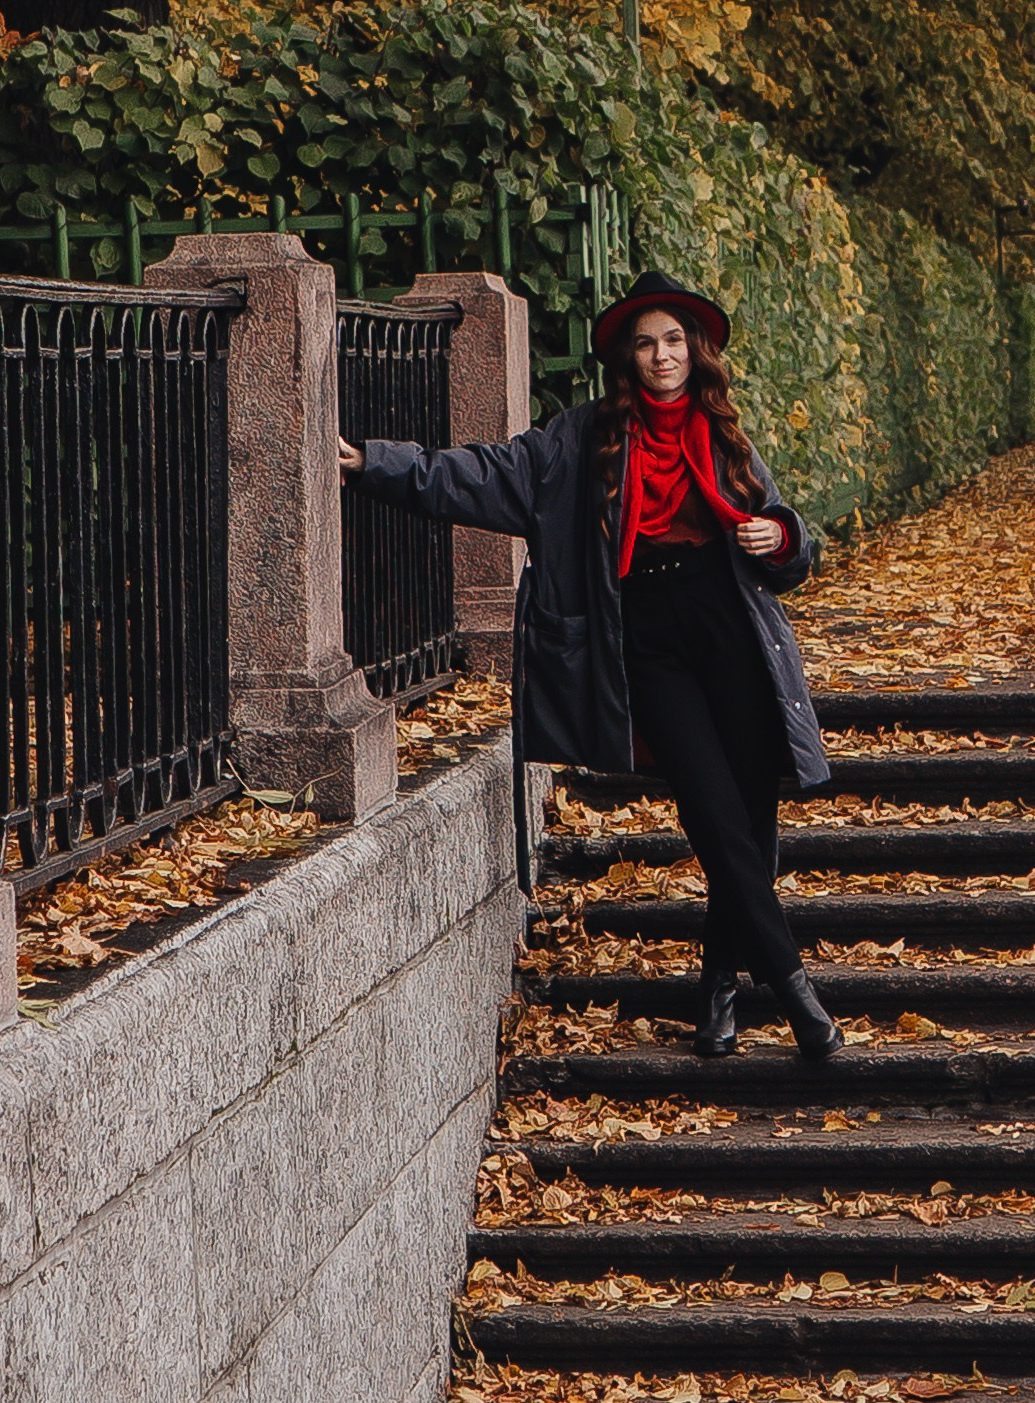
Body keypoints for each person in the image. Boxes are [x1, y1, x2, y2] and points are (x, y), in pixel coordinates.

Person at [339, 269, 841, 1061]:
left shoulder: (723, 432)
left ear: (695, 349)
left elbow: (786, 542)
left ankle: (716, 991)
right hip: (645, 638)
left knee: (747, 824)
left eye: (673, 340)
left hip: (730, 633)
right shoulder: (580, 439)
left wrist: (780, 538)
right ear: (626, 358)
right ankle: (796, 991)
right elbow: (480, 475)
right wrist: (373, 461)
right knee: (712, 815)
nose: (661, 355)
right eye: (645, 343)